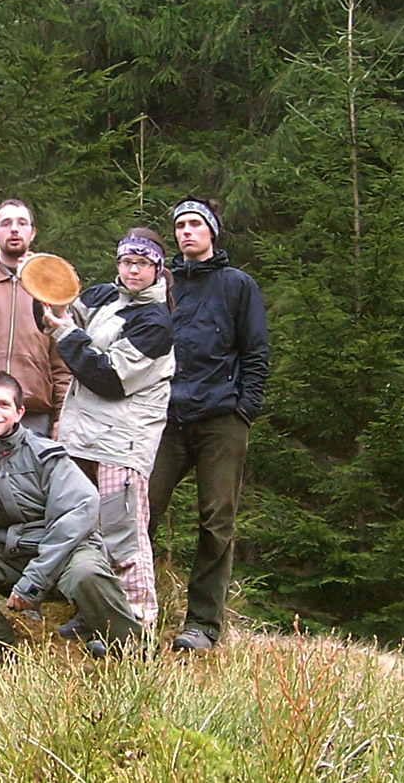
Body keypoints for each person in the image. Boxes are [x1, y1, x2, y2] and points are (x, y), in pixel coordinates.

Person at [0, 372, 141, 668]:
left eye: (3, 404)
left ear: (19, 413)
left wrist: (33, 581)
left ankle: (132, 650)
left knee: (87, 573)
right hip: (12, 557)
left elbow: (78, 513)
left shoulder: (45, 455)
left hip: (64, 558)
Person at [148, 198, 269, 651]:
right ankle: (126, 610)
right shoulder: (163, 284)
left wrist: (244, 410)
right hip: (166, 417)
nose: (186, 232)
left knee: (217, 520)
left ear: (212, 232)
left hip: (222, 418)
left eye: (195, 224)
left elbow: (256, 353)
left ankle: (202, 624)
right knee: (141, 510)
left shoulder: (238, 285)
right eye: (179, 225)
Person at [40, 227, 174, 630]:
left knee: (123, 533)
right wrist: (44, 288)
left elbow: (110, 377)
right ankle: (94, 609)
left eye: (142, 263)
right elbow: (59, 313)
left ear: (157, 268)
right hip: (81, 437)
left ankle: (137, 622)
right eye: (126, 262)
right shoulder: (100, 296)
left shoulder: (156, 323)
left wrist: (64, 332)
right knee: (83, 527)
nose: (133, 270)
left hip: (122, 443)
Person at [0, 199, 70, 449]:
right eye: (6, 224)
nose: (14, 229)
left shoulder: (52, 290)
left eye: (22, 223)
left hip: (33, 413)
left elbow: (63, 363)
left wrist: (61, 416)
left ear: (33, 232)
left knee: (26, 488)